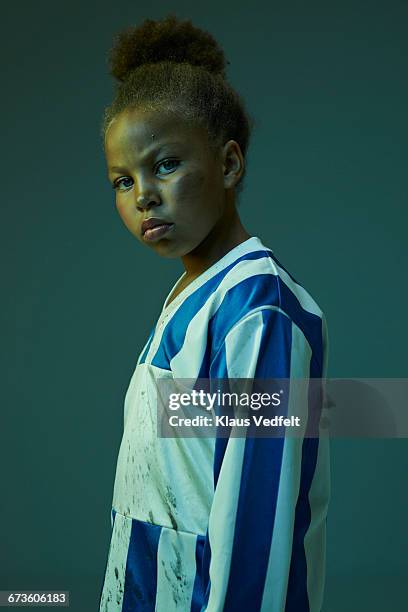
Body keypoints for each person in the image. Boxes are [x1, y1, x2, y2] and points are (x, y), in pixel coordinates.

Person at [98, 14, 330, 612]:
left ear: (229, 164)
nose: (143, 195)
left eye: (165, 165)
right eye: (123, 180)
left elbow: (259, 525)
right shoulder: (191, 292)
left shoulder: (258, 309)